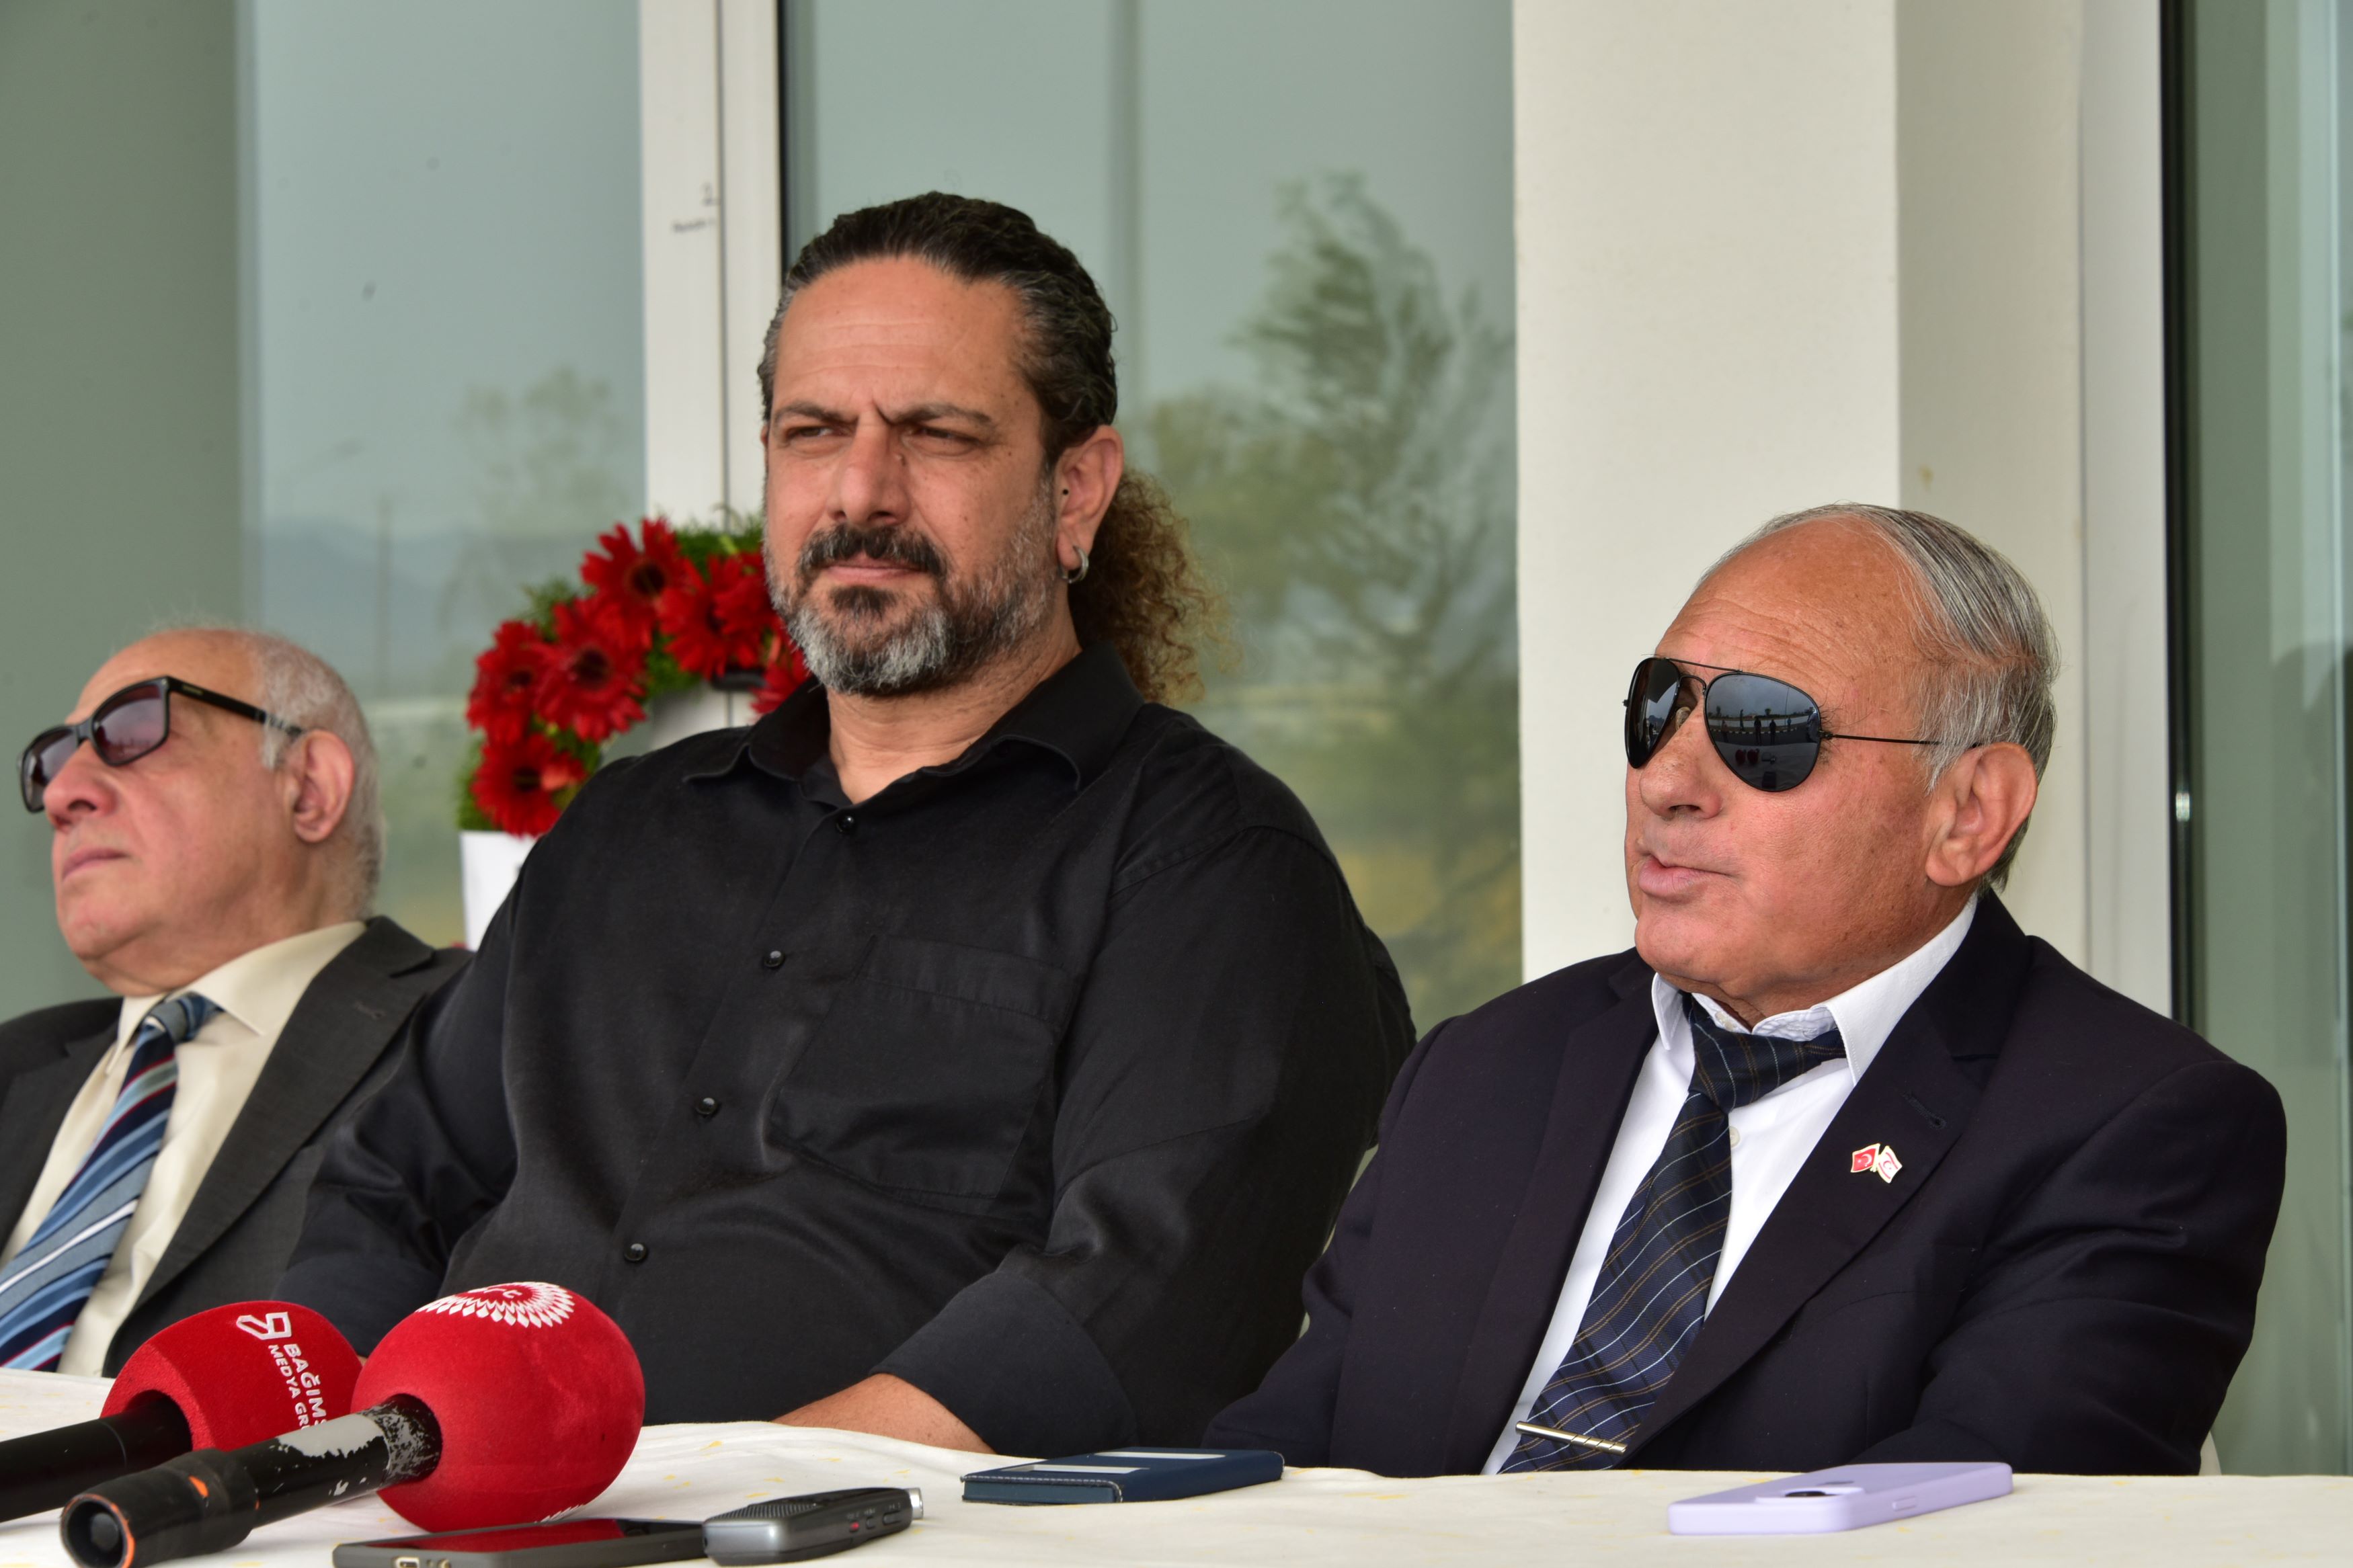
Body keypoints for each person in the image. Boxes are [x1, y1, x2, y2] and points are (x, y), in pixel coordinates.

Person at [279, 193, 1414, 1455]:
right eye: (813, 431)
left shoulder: (1210, 864)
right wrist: (318, 1460)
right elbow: (386, 1190)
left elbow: (1132, 1314)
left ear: (1076, 490)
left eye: (937, 433)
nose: (860, 490)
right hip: (446, 1514)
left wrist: (715, 1501)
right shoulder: (625, 831)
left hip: (854, 1534)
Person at [1209, 503, 2286, 1477]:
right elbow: (1284, 1465)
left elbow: (1980, 1528)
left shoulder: (2132, 1127)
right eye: (1658, 711)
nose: (1667, 782)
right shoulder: (1486, 1066)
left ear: (1968, 813)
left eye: (1763, 732)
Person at [0, 628, 465, 1375]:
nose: (61, 794)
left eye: (130, 731)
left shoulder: (469, 1035)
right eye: (50, 762)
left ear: (308, 788)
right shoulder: (17, 1063)